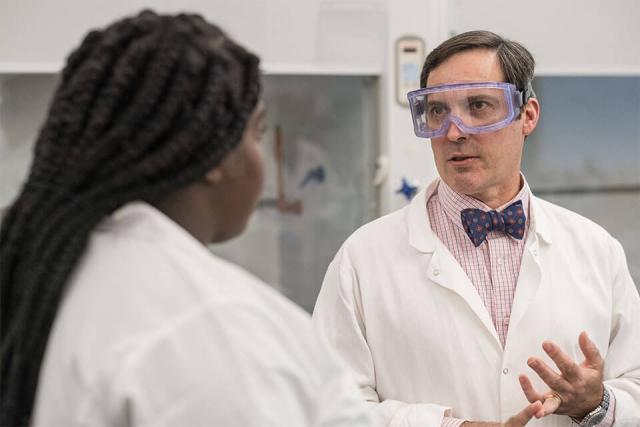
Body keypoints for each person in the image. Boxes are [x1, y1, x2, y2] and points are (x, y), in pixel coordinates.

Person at [0, 11, 371, 427]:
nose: (262, 159)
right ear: (216, 157)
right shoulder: (208, 326)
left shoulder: (49, 270)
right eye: (257, 132)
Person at [312, 30, 640, 427]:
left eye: (479, 105)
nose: (453, 131)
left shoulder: (596, 249)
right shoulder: (362, 258)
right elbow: (326, 405)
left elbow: (635, 384)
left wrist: (597, 404)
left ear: (528, 115)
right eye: (436, 111)